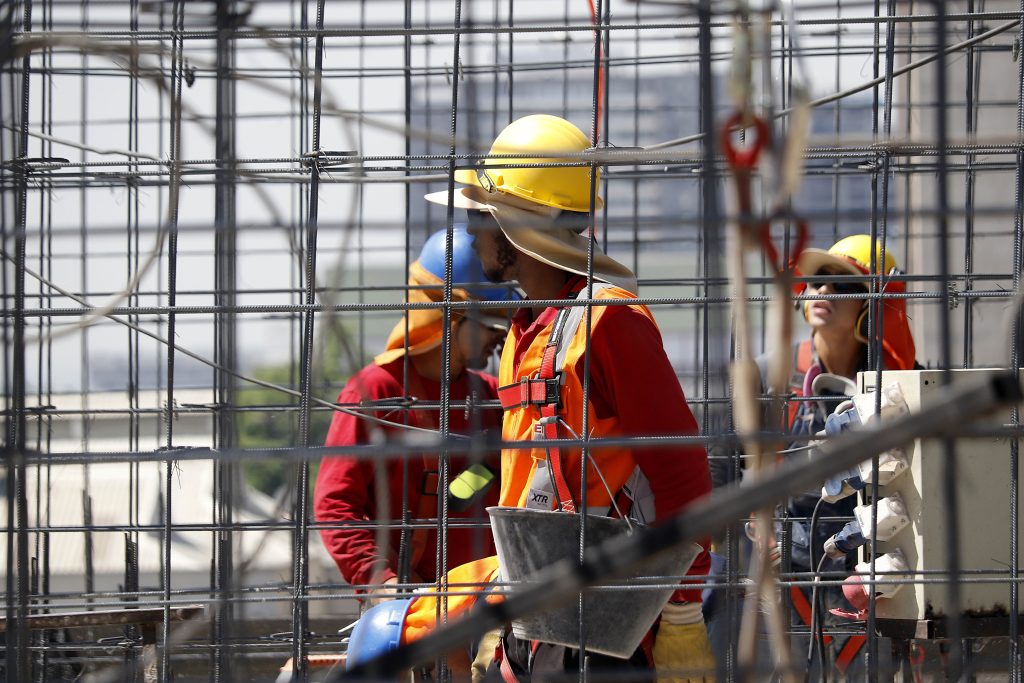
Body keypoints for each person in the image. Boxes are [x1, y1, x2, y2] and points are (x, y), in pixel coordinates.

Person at [421, 114, 715, 682]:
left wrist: (682, 612)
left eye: (479, 216)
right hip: (538, 619)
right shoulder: (525, 333)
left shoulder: (608, 321)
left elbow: (682, 472)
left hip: (610, 625)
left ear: (514, 224)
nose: (473, 234)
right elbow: (518, 482)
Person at [314, 225, 512, 604]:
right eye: (492, 324)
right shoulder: (375, 392)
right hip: (408, 609)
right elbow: (336, 505)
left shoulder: (489, 398)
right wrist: (379, 582)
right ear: (448, 318)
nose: (501, 338)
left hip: (484, 611)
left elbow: (464, 496)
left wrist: (486, 466)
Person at [783, 235, 917, 677]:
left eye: (843, 286)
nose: (823, 293)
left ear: (872, 305)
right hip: (786, 570)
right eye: (818, 282)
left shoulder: (905, 386)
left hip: (872, 569)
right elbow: (723, 472)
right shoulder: (771, 377)